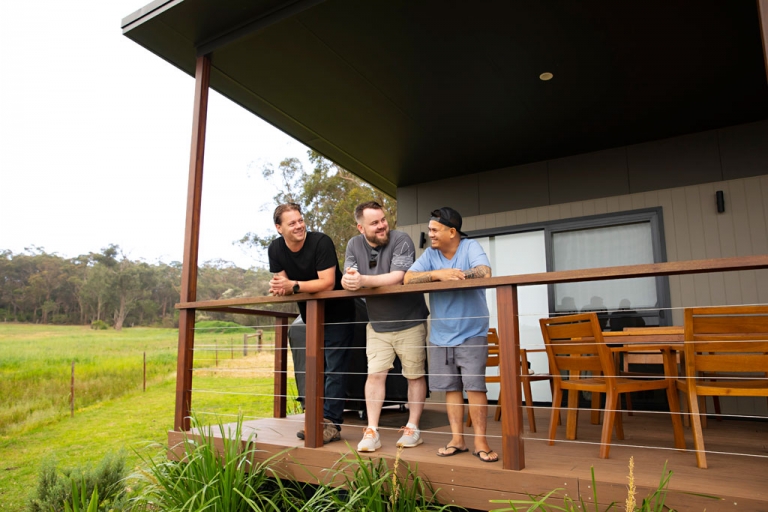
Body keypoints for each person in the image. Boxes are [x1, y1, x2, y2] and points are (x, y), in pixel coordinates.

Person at [404, 207, 498, 463]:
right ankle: (458, 439)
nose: (430, 234)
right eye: (430, 229)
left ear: (452, 232)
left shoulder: (470, 247)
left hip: (472, 332)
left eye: (434, 230)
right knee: (450, 388)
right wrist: (437, 275)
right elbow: (408, 279)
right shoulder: (431, 255)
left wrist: (455, 275)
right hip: (440, 335)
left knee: (475, 387)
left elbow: (484, 272)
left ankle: (481, 441)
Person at [341, 201, 429, 452]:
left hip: (409, 320)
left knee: (414, 375)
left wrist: (362, 281)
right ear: (361, 227)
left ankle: (413, 428)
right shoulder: (353, 245)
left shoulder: (401, 239)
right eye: (374, 223)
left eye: (383, 219)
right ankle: (372, 430)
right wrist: (348, 280)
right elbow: (350, 274)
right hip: (377, 324)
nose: (382, 226)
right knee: (375, 375)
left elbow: (397, 278)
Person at [268, 203, 355, 444]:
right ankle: (315, 418)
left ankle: (331, 425)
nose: (299, 225)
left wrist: (293, 286)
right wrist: (279, 287)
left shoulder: (321, 242)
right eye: (292, 223)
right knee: (315, 368)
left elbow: (327, 282)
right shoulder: (275, 248)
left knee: (334, 370)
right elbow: (282, 282)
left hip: (339, 315)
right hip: (311, 317)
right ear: (279, 228)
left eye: (300, 220)